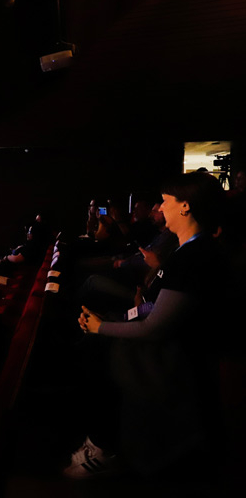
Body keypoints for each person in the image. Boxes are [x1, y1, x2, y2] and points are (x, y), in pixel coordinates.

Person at [67, 172, 229, 480]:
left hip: (175, 358)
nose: (160, 208)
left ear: (185, 207)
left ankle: (104, 448)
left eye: (165, 201)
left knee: (97, 353)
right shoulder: (185, 249)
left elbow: (155, 327)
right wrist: (114, 320)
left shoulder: (196, 255)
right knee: (91, 344)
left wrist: (101, 327)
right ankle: (101, 441)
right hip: (166, 346)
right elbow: (155, 305)